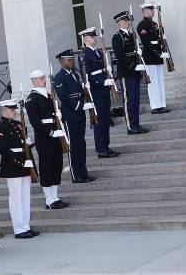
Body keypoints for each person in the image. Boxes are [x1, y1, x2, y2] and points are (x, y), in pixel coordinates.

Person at [0, 99, 39, 239]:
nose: (14, 111)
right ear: (4, 110)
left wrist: (29, 158)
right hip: (13, 166)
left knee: (25, 197)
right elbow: (4, 150)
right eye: (11, 109)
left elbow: (24, 147)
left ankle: (26, 226)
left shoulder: (19, 124)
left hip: (25, 164)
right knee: (16, 198)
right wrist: (21, 162)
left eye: (14, 109)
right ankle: (19, 229)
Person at [25, 70, 68, 209]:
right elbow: (35, 122)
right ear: (34, 80)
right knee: (46, 167)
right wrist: (50, 133)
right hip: (44, 138)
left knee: (57, 166)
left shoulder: (48, 95)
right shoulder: (32, 98)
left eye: (44, 78)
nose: (45, 80)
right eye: (42, 78)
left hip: (56, 135)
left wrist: (59, 116)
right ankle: (49, 200)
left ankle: (55, 197)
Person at [53, 49, 96, 184]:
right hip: (70, 114)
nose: (71, 61)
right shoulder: (59, 77)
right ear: (61, 61)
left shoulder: (76, 74)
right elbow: (64, 97)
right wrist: (79, 105)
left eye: (72, 59)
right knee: (73, 144)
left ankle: (83, 172)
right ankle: (76, 174)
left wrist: (86, 92)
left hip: (80, 113)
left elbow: (81, 92)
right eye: (69, 59)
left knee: (81, 143)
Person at [78, 27, 119, 158]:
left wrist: (108, 73)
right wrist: (101, 82)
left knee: (106, 119)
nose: (94, 38)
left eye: (94, 36)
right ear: (85, 39)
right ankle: (101, 149)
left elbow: (102, 70)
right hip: (96, 91)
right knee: (100, 120)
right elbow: (87, 76)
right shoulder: (84, 54)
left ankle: (106, 146)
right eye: (91, 36)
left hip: (103, 90)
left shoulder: (96, 52)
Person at [112, 11, 149, 135]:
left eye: (128, 20)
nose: (128, 22)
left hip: (136, 71)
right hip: (127, 72)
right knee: (129, 100)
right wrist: (133, 65)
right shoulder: (117, 37)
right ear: (120, 22)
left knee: (136, 100)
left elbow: (135, 52)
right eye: (125, 20)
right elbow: (120, 56)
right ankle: (130, 126)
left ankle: (136, 124)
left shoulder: (132, 35)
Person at [137, 3, 171, 114]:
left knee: (160, 81)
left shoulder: (155, 24)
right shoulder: (142, 26)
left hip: (158, 56)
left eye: (153, 9)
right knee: (153, 83)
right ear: (145, 10)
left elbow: (159, 39)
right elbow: (147, 43)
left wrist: (163, 45)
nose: (153, 11)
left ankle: (162, 104)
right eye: (151, 9)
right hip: (150, 57)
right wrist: (158, 53)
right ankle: (155, 106)